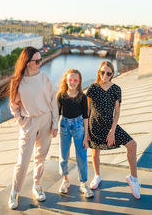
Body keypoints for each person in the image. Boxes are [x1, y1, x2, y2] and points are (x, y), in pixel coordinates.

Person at [8, 46, 59, 209]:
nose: (40, 63)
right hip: (29, 122)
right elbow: (14, 106)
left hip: (46, 120)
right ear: (27, 62)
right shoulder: (17, 82)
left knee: (41, 158)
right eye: (36, 61)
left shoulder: (44, 78)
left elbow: (53, 101)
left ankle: (37, 186)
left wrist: (54, 123)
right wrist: (22, 122)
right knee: (22, 161)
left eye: (40, 60)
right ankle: (15, 192)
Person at [86, 61, 140, 199]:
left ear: (112, 74)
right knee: (95, 151)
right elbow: (86, 111)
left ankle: (133, 179)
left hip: (110, 125)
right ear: (99, 72)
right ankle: (97, 176)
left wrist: (112, 131)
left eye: (108, 73)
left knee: (132, 145)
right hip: (95, 125)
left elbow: (117, 112)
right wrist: (85, 132)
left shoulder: (116, 89)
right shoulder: (92, 88)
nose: (105, 75)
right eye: (102, 72)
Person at [57, 69, 94, 198]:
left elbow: (85, 117)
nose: (72, 82)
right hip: (64, 125)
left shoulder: (82, 97)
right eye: (70, 79)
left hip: (79, 126)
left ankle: (83, 183)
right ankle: (65, 180)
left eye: (75, 80)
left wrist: (86, 136)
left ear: (79, 81)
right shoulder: (61, 95)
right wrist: (54, 128)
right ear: (66, 80)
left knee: (82, 156)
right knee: (63, 155)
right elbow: (57, 114)